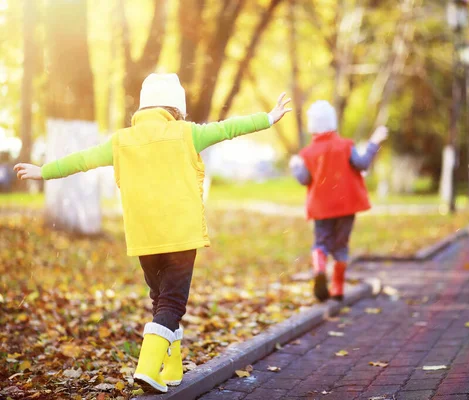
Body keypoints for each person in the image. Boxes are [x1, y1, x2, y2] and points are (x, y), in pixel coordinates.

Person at [14, 73, 291, 393]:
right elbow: (228, 128)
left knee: (160, 300)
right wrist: (268, 118)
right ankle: (147, 369)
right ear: (176, 107)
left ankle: (171, 369)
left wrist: (44, 171)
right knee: (172, 304)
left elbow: (83, 160)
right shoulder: (187, 133)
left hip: (145, 239)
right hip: (181, 237)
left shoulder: (121, 140)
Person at [289, 100, 388, 302]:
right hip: (346, 206)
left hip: (321, 207)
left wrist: (295, 166)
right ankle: (338, 289)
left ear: (311, 125)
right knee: (341, 246)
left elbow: (304, 179)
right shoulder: (346, 146)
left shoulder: (307, 153)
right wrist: (374, 143)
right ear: (333, 122)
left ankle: (319, 268)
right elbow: (362, 163)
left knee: (321, 243)